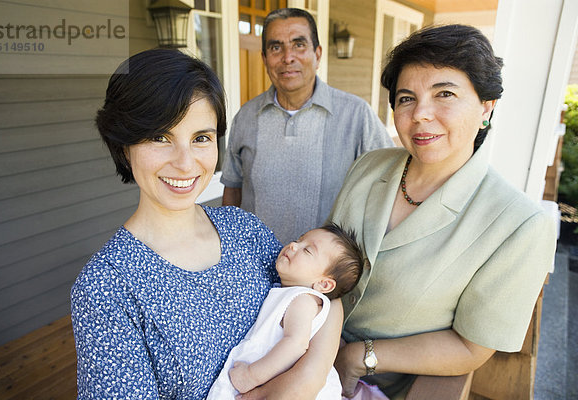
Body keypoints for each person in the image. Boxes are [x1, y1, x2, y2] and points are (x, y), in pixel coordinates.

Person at [71, 48, 342, 400]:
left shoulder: (244, 230)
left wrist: (306, 378)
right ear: (124, 146)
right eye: (159, 137)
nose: (185, 163)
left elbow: (325, 299)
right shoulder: (107, 286)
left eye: (201, 138)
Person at [328, 24, 557, 400]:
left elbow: (471, 347)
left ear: (486, 107)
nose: (420, 114)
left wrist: (360, 356)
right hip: (304, 350)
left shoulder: (520, 225)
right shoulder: (368, 167)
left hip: (387, 385)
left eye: (444, 94)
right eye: (406, 98)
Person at [221, 7, 394, 245]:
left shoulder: (355, 114)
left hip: (327, 274)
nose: (288, 57)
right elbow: (232, 190)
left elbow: (390, 182)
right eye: (275, 47)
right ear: (264, 58)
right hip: (255, 265)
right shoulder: (246, 116)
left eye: (299, 45)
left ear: (318, 54)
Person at [208, 223, 368, 399]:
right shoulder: (291, 294)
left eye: (307, 250)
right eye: (298, 240)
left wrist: (251, 376)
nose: (293, 245)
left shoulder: (302, 300)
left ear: (324, 284)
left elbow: (296, 344)